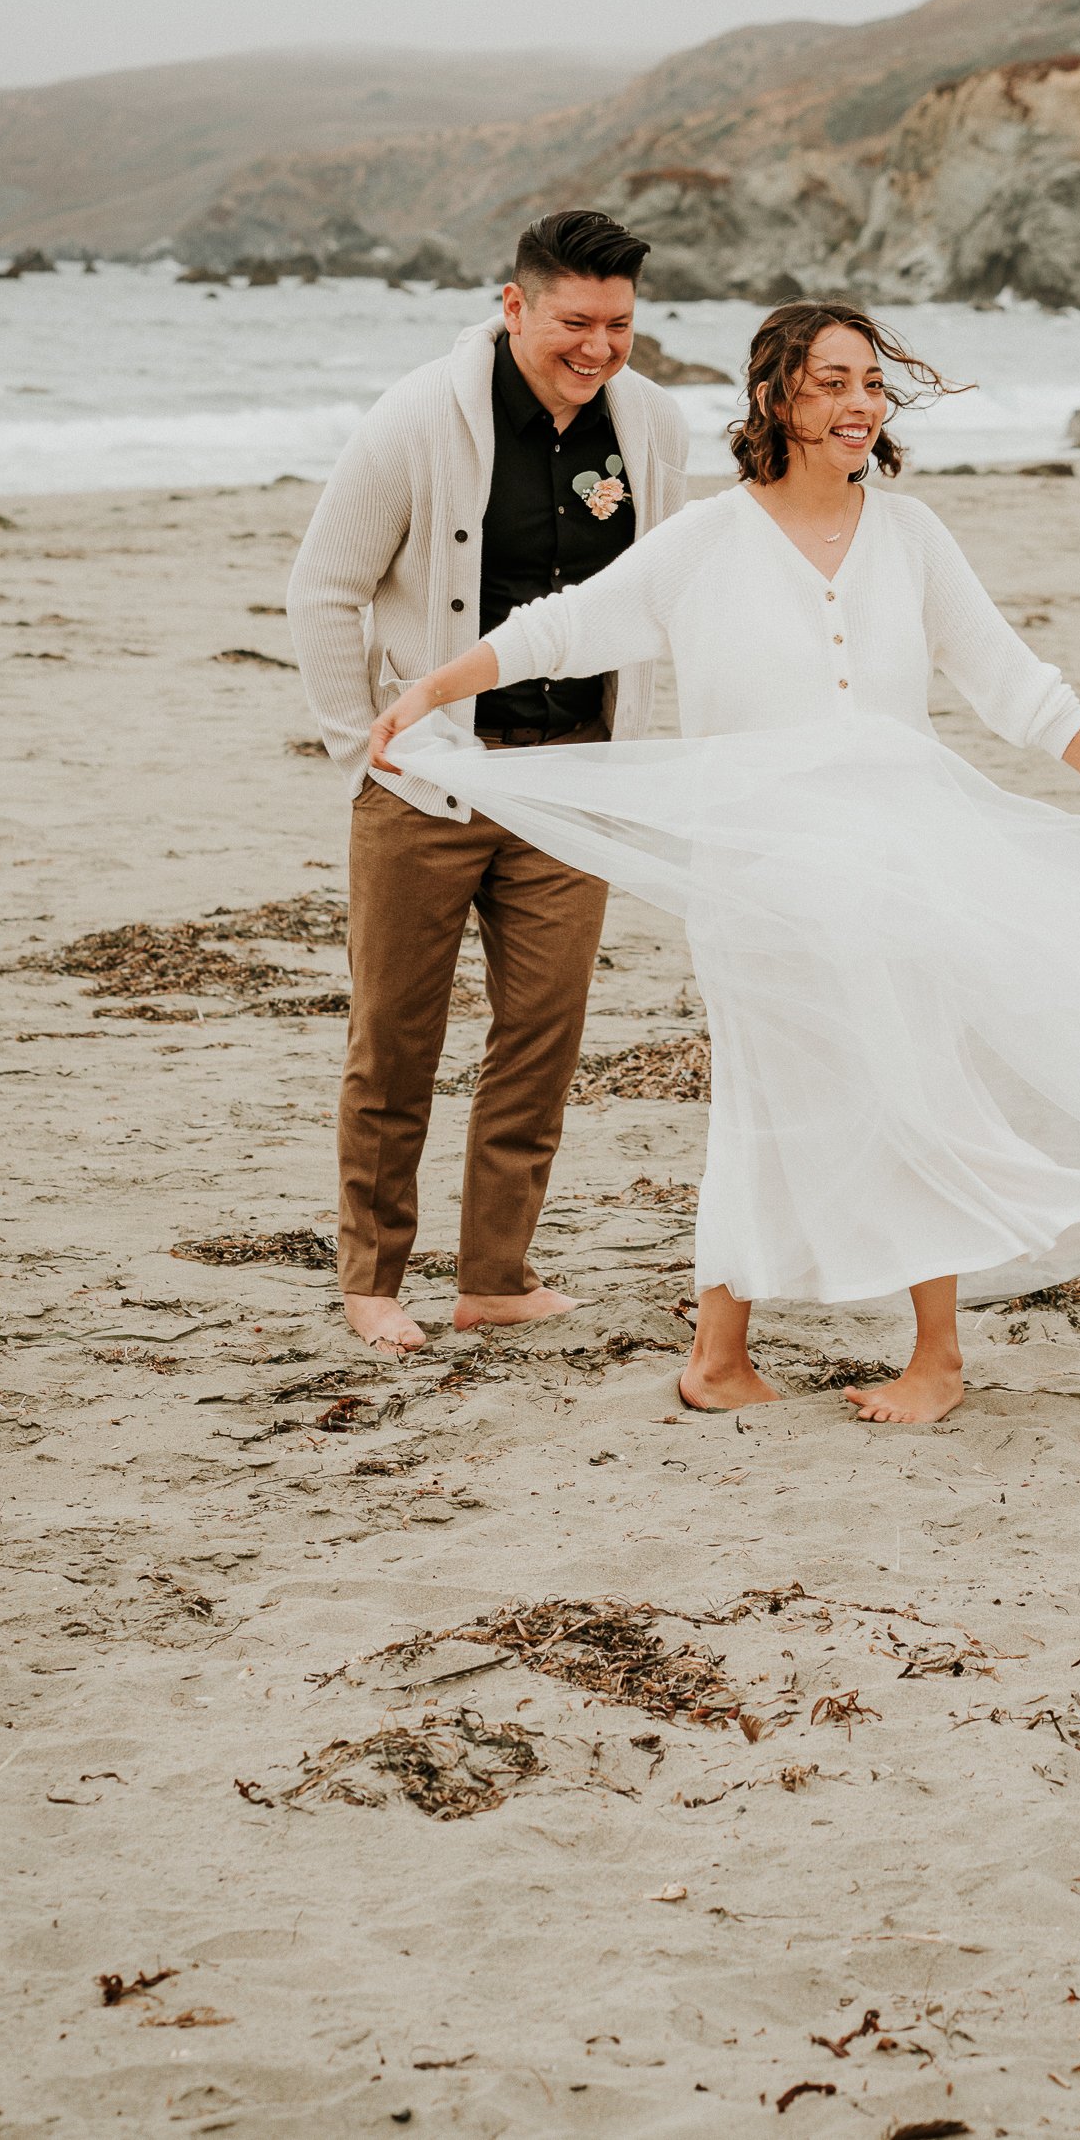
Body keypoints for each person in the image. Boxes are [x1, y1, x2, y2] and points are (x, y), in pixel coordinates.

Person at [371, 302, 1080, 1424]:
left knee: (916, 1081)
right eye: (832, 382)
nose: (858, 404)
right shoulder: (706, 540)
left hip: (903, 861)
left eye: (871, 385)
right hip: (761, 879)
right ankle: (718, 1357)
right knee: (761, 1099)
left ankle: (932, 1357)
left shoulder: (910, 536)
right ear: (774, 399)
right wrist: (430, 688)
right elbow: (564, 628)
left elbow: (1010, 681)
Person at [287, 208, 688, 1355]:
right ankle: (373, 1278)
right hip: (430, 784)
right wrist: (358, 742)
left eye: (618, 323)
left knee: (541, 1038)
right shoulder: (418, 416)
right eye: (574, 321)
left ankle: (495, 1275)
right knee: (395, 1039)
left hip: (572, 786)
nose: (598, 346)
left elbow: (652, 596)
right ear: (512, 305)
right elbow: (323, 588)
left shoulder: (650, 424)